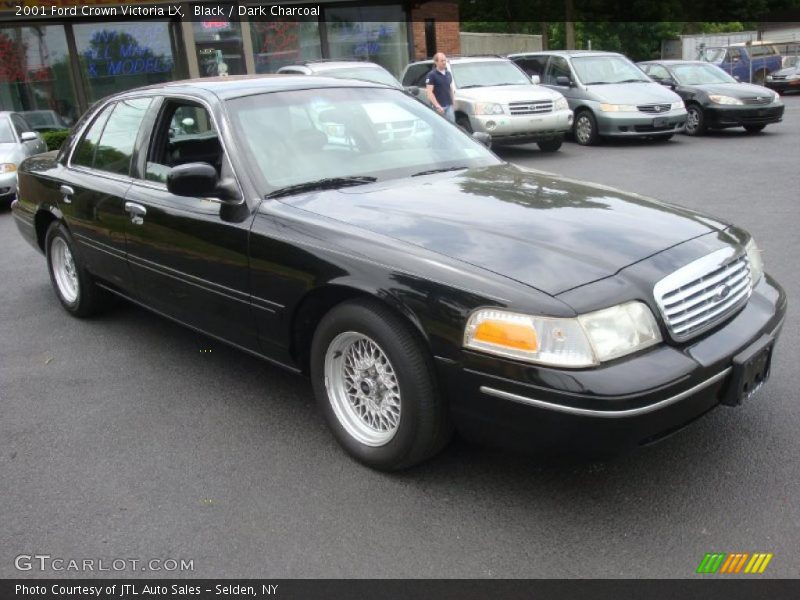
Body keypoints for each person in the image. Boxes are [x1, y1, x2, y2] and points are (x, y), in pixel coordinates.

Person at [425, 53, 456, 123]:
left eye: (445, 60)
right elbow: (429, 92)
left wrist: (453, 102)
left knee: (451, 126)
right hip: (439, 107)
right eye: (442, 61)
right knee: (440, 126)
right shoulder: (431, 75)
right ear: (436, 62)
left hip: (449, 105)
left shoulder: (448, 74)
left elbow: (450, 88)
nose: (444, 62)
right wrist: (437, 105)